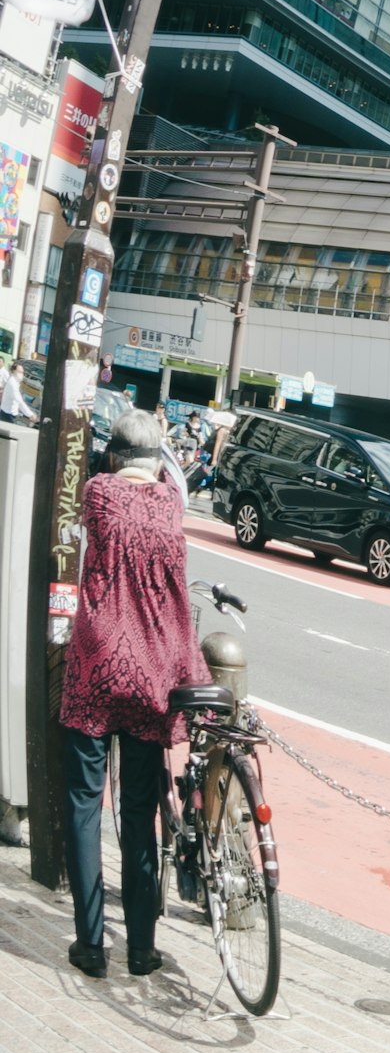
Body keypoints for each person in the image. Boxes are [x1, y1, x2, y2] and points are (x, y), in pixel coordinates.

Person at [58, 405, 204, 979]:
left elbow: (103, 481)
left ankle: (91, 945)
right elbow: (168, 478)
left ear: (115, 454)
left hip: (96, 667)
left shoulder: (98, 493)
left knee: (84, 804)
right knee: (141, 812)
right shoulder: (171, 503)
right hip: (151, 671)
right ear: (158, 457)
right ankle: (142, 947)